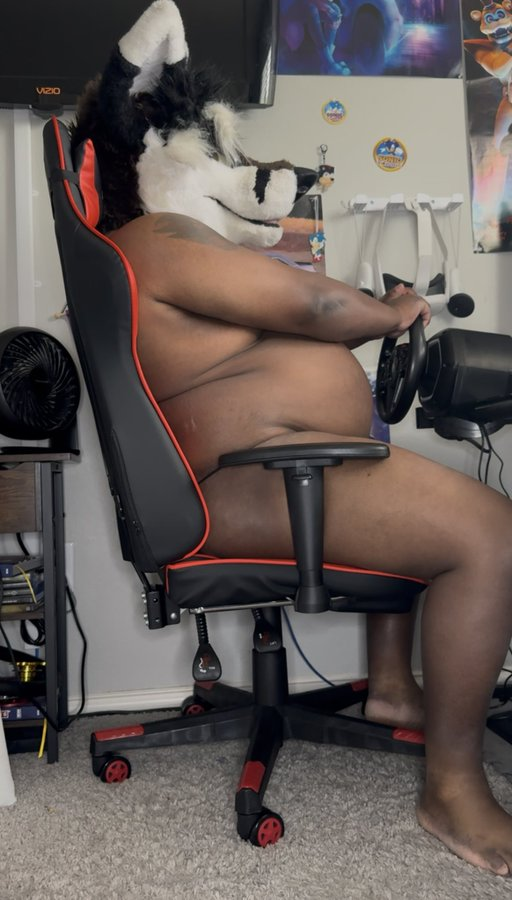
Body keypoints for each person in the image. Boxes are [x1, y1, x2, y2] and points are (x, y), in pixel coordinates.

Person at [107, 208, 512, 877]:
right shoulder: (156, 235)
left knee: (420, 498)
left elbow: (306, 316)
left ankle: (392, 688)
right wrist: (395, 311)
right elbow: (319, 305)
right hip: (251, 479)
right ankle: (453, 793)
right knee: (491, 535)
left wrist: (369, 325)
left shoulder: (142, 250)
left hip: (271, 467)